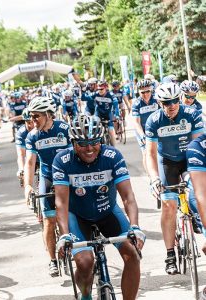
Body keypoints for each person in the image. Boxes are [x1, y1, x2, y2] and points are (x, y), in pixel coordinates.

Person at [54, 115, 144, 300]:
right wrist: (63, 234)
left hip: (108, 211)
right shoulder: (62, 161)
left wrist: (134, 226)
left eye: (94, 142)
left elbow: (127, 197)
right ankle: (85, 294)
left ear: (101, 140)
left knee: (132, 254)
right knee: (85, 262)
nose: (89, 149)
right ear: (73, 143)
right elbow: (61, 203)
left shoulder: (112, 157)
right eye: (82, 143)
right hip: (78, 215)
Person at [145, 82, 203, 274]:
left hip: (189, 159)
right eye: (166, 102)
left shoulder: (192, 114)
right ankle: (170, 254)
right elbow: (150, 154)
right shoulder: (154, 120)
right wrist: (154, 178)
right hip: (166, 162)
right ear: (159, 102)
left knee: (197, 195)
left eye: (175, 101)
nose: (171, 105)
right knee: (169, 205)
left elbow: (199, 145)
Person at [24, 96, 71, 277]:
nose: (33, 120)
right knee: (49, 220)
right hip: (47, 177)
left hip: (67, 176)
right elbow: (29, 162)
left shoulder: (64, 129)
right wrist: (28, 186)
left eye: (36, 116)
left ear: (47, 115)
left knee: (73, 214)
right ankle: (52, 260)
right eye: (31, 116)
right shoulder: (32, 136)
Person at [131, 79, 159, 173]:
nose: (146, 94)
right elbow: (136, 122)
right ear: (138, 91)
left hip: (156, 129)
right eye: (143, 92)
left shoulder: (157, 100)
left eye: (148, 91)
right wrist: (142, 135)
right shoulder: (136, 104)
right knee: (146, 153)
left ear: (151, 90)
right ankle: (150, 176)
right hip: (142, 130)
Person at [15, 109, 34, 186]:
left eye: (32, 122)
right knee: (27, 184)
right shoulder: (21, 133)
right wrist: (21, 169)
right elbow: (21, 155)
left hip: (43, 157)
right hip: (30, 158)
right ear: (24, 122)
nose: (31, 125)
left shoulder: (41, 128)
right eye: (28, 122)